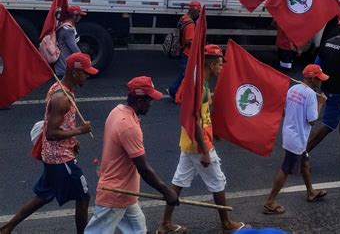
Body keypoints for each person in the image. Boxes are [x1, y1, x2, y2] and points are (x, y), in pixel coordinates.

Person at [0, 53, 96, 234]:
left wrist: (72, 140)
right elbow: (51, 133)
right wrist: (79, 131)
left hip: (53, 154)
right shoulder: (61, 98)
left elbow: (61, 123)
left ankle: (6, 228)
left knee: (44, 195)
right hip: (61, 159)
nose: (88, 76)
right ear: (74, 72)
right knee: (83, 196)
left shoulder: (60, 87)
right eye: (85, 73)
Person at [159, 44, 250, 234]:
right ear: (210, 64)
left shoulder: (202, 84)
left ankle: (165, 224)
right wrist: (206, 150)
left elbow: (203, 113)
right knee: (218, 182)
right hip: (198, 145)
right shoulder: (199, 87)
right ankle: (226, 223)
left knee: (178, 182)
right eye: (219, 64)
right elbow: (194, 120)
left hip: (190, 142)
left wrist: (213, 131)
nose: (221, 68)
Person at [85, 77, 178, 233]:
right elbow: (144, 168)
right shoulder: (128, 126)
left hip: (125, 192)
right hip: (116, 193)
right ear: (140, 101)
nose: (151, 104)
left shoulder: (117, 111)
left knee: (138, 229)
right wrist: (167, 191)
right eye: (150, 100)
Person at [263, 64, 328, 215]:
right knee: (286, 169)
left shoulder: (292, 89)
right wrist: (320, 103)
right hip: (298, 138)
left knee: (304, 162)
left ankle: (311, 192)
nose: (321, 82)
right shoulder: (311, 95)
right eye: (319, 79)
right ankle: (270, 201)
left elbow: (285, 111)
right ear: (312, 79)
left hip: (289, 133)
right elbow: (312, 120)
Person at [307, 17, 340, 161]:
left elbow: (317, 64)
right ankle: (301, 154)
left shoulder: (327, 42)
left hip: (326, 87)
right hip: (338, 91)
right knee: (328, 125)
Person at [168, 1, 201, 99]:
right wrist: (198, 44)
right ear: (193, 10)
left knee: (185, 74)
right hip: (187, 53)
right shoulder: (190, 24)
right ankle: (174, 90)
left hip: (181, 50)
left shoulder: (183, 18)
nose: (199, 14)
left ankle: (179, 92)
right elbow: (189, 41)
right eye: (198, 12)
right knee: (186, 74)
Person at [55, 5, 87, 77]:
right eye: (79, 15)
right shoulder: (69, 30)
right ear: (74, 16)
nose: (80, 17)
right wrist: (85, 60)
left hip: (60, 65)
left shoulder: (63, 25)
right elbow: (75, 49)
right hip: (65, 68)